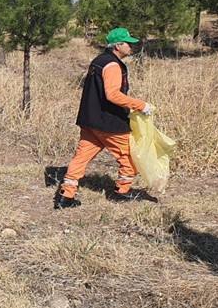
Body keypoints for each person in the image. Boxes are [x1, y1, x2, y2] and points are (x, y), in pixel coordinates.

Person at [56, 27, 155, 209]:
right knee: (130, 158)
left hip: (90, 120)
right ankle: (122, 192)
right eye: (128, 43)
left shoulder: (98, 61)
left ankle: (66, 195)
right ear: (118, 45)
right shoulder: (112, 65)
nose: (132, 47)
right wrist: (141, 105)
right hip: (109, 122)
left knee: (81, 158)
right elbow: (112, 95)